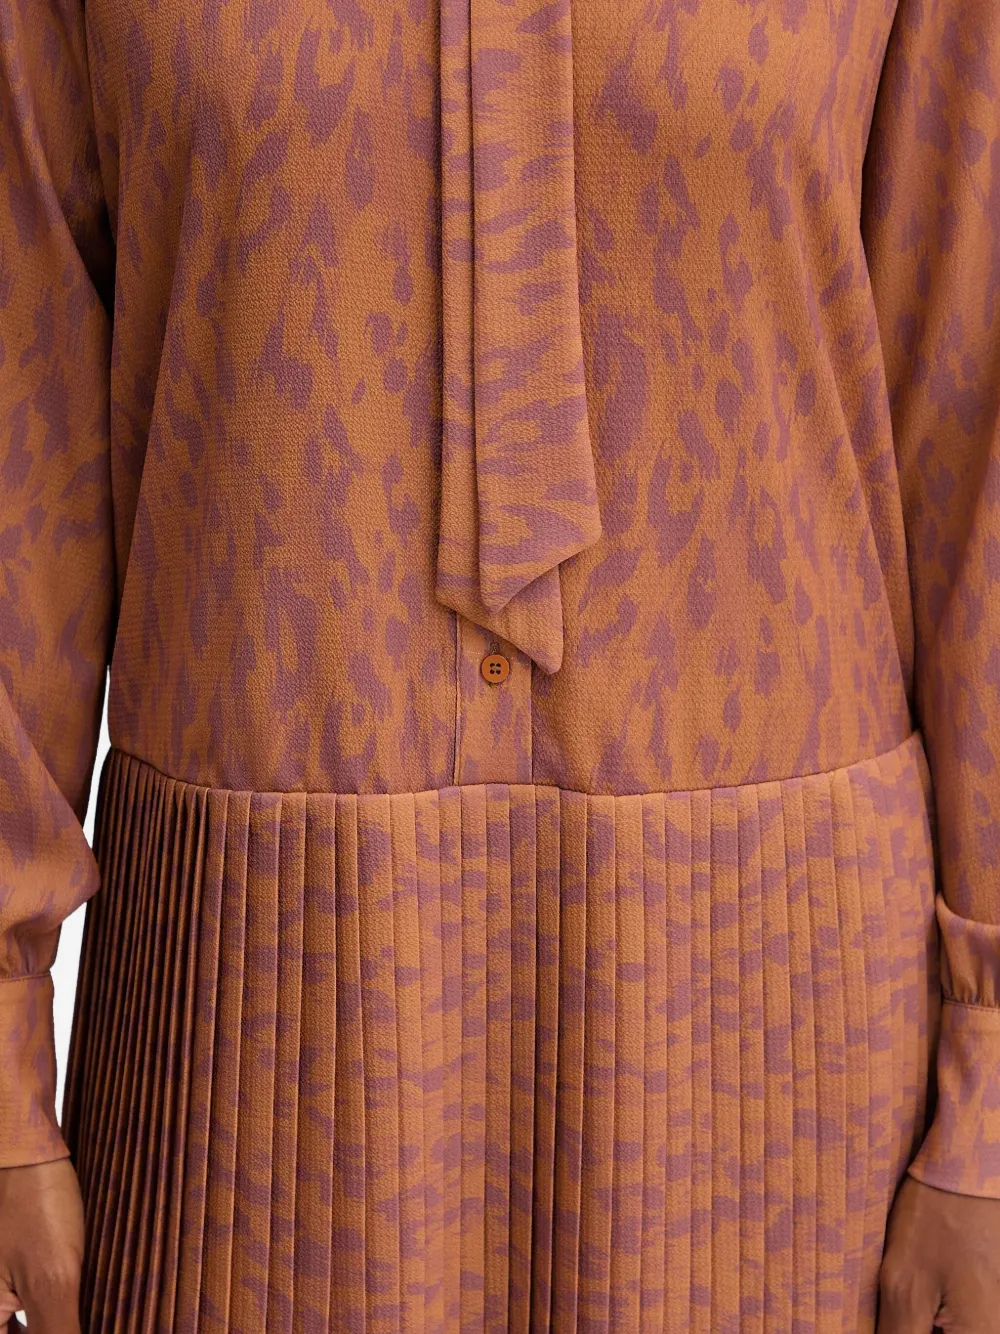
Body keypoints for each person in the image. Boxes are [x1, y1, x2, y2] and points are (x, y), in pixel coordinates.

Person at [1, 0, 998, 1329]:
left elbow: (974, 431)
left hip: (789, 1066)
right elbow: (19, 438)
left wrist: (993, 1086)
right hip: (245, 1060)